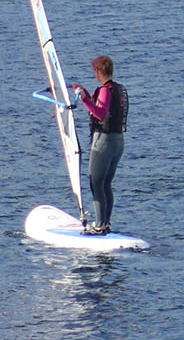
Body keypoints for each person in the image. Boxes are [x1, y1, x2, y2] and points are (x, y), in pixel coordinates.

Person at [72, 56, 129, 235]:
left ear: (97, 72)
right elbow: (104, 107)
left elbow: (101, 114)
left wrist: (84, 100)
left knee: (96, 183)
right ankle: (105, 224)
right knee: (106, 184)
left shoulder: (105, 90)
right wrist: (87, 94)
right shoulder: (118, 88)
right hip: (118, 141)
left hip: (104, 142)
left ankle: (99, 226)